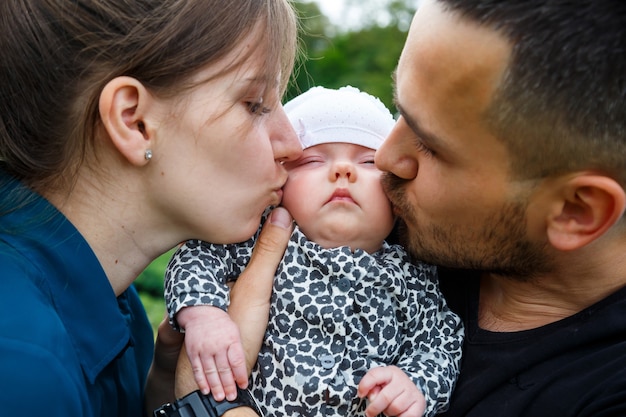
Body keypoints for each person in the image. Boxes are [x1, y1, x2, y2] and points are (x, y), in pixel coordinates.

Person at [0, 1, 301, 416]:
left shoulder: (124, 315)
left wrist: (165, 395)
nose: (292, 146)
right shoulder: (22, 366)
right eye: (254, 104)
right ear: (134, 121)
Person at [372, 0, 626, 416]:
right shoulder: (378, 220)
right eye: (397, 108)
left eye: (430, 146)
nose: (383, 158)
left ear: (574, 210)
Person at [165, 86, 464, 417]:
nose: (342, 171)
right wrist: (205, 314)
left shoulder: (412, 274)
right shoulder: (254, 240)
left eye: (367, 161)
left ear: (396, 198)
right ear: (279, 185)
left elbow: (440, 342)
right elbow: (195, 258)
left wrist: (414, 384)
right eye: (312, 160)